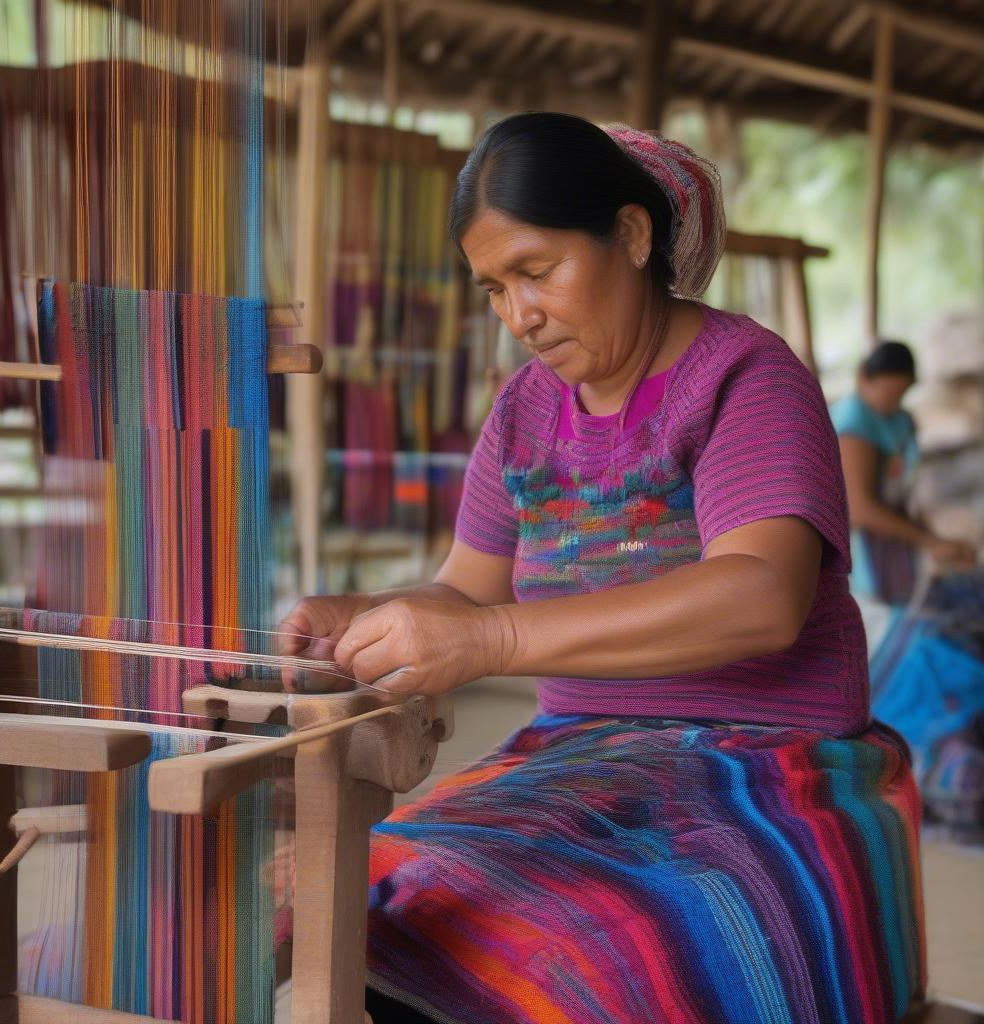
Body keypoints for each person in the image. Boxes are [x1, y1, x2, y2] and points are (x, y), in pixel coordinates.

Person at [281, 113, 924, 1024]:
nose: (518, 316)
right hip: (583, 760)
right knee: (380, 888)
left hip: (769, 760)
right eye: (494, 289)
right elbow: (465, 589)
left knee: (583, 947)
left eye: (536, 272)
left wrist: (495, 637)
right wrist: (359, 613)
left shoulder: (747, 378)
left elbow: (762, 596)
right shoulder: (524, 413)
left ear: (630, 234)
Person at [831, 339, 976, 607]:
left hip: (895, 543)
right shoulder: (854, 423)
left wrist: (934, 541)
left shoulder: (900, 420)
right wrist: (930, 542)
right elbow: (860, 509)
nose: (893, 403)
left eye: (901, 395)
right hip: (867, 554)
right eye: (889, 394)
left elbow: (905, 489)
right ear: (864, 378)